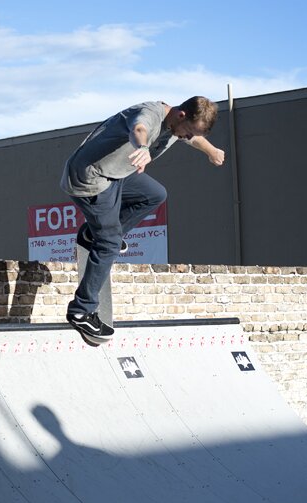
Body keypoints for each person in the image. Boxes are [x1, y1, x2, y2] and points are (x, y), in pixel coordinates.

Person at [60, 96, 225, 340]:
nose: (187, 137)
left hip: (117, 175)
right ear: (181, 115)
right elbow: (139, 129)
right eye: (188, 131)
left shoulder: (176, 125)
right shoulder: (150, 114)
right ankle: (81, 311)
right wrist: (143, 147)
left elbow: (194, 138)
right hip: (91, 178)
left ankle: (91, 233)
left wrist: (211, 151)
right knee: (109, 244)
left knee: (155, 194)